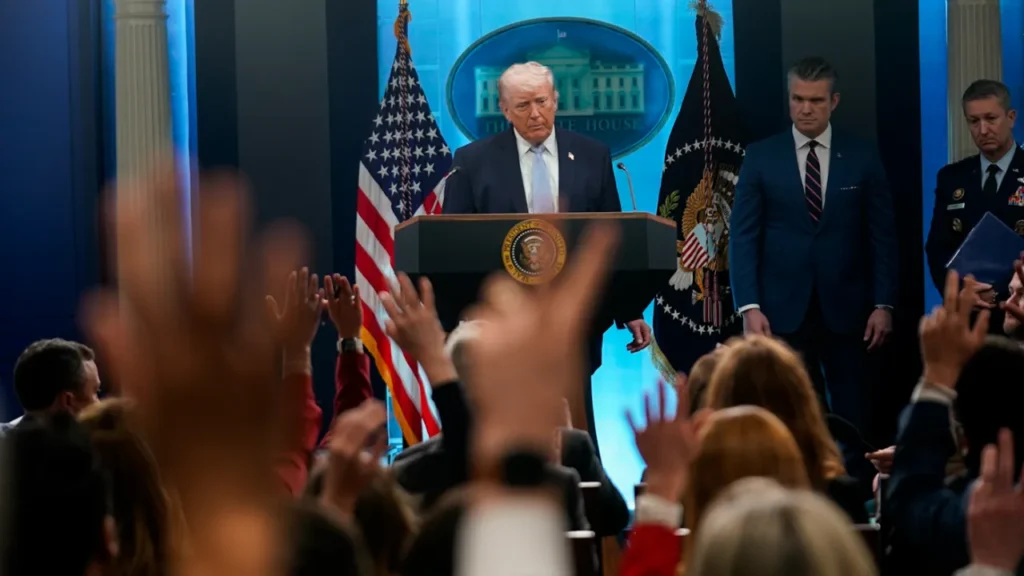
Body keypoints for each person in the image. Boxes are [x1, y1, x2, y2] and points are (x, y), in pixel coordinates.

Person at [441, 61, 651, 445]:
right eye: (523, 105)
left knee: (576, 435)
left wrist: (629, 309)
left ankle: (583, 478)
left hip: (577, 322)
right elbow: (453, 246)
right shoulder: (472, 162)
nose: (535, 113)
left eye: (541, 101)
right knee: (506, 439)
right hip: (501, 326)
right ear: (504, 110)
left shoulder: (592, 155)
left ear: (556, 100)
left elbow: (610, 239)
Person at [728, 56, 897, 431]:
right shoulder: (760, 156)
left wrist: (883, 304)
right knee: (785, 416)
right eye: (798, 99)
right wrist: (749, 306)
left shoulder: (863, 156)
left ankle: (851, 471)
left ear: (834, 101)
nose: (805, 109)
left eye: (816, 100)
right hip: (780, 311)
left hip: (849, 311)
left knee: (853, 416)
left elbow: (883, 237)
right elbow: (743, 236)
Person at [926, 80, 1023, 322]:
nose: (983, 130)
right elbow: (938, 248)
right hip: (968, 313)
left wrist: (1005, 293)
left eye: (991, 118)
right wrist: (958, 293)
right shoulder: (952, 177)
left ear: (1011, 118)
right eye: (974, 121)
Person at [1, 338, 101, 434]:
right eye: (96, 392)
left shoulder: (6, 442)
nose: (99, 403)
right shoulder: (99, 442)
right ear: (68, 401)